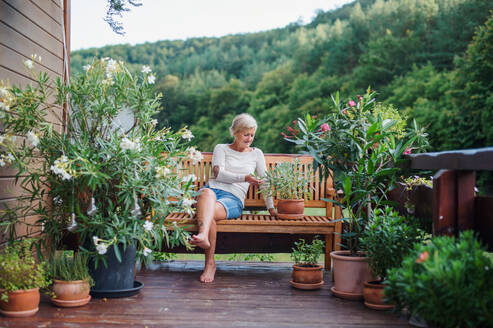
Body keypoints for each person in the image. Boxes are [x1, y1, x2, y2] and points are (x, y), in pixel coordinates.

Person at [190, 113, 277, 283]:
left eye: (252, 135)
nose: (249, 138)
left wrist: (271, 207)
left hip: (233, 198)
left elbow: (264, 182)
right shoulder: (220, 148)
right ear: (235, 133)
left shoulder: (256, 154)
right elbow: (218, 174)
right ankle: (206, 246)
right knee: (206, 193)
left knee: (209, 215)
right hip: (212, 191)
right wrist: (244, 177)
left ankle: (207, 256)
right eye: (246, 134)